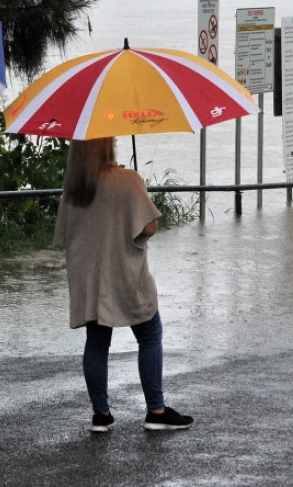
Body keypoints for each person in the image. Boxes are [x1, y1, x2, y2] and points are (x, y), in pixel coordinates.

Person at [54, 137, 193, 433]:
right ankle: (156, 410)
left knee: (97, 341)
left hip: (90, 279)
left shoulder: (74, 189)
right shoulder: (127, 180)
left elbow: (64, 234)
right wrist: (137, 193)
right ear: (107, 146)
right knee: (150, 334)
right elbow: (149, 227)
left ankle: (101, 416)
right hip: (125, 274)